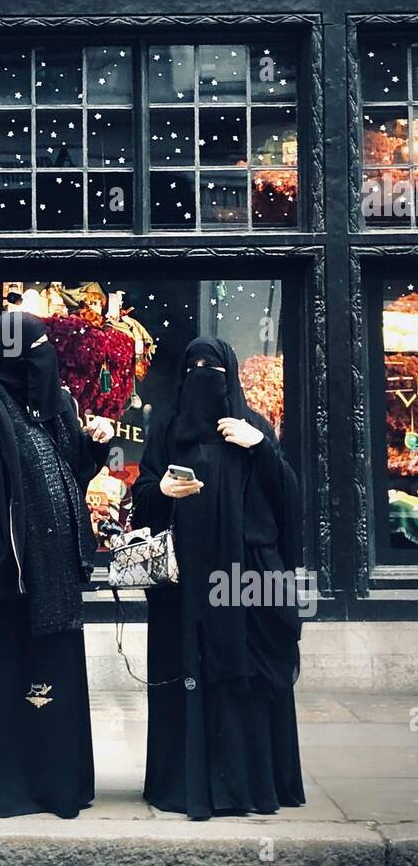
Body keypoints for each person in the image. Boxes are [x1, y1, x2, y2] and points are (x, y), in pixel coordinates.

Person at [0, 312, 111, 819]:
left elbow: (70, 472)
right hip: (4, 578)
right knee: (7, 681)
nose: (45, 357)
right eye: (36, 347)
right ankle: (6, 786)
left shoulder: (53, 406)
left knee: (51, 679)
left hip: (53, 575)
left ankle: (56, 784)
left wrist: (95, 446)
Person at [131, 336, 305, 820]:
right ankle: (184, 784)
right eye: (195, 366)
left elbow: (289, 501)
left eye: (214, 366)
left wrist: (261, 448)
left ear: (229, 374)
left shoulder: (252, 428)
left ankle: (247, 785)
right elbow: (142, 495)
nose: (204, 375)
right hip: (185, 585)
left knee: (242, 680)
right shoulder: (166, 428)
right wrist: (160, 489)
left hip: (244, 582)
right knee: (190, 674)